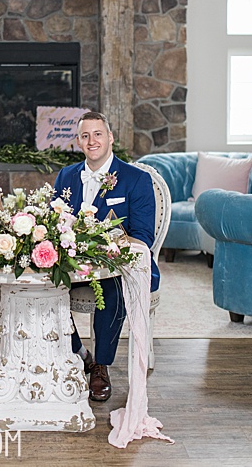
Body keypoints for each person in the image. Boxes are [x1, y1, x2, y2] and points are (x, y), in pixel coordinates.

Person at [54, 111, 157, 403]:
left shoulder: (136, 179)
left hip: (117, 265)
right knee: (47, 284)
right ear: (79, 141)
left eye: (98, 134)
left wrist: (105, 248)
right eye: (85, 136)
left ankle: (101, 365)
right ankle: (78, 352)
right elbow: (55, 221)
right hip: (73, 263)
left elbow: (143, 237)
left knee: (112, 291)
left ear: (110, 138)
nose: (92, 140)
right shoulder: (67, 176)